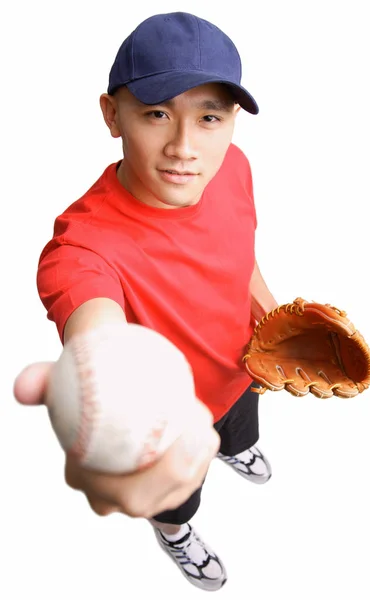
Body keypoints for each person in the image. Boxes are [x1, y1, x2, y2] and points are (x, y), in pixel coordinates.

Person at [13, 11, 278, 592]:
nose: (185, 148)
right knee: (179, 492)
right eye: (157, 114)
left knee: (240, 431)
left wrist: (272, 313)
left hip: (245, 368)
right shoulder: (82, 247)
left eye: (210, 117)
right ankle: (175, 533)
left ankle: (239, 447)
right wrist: (106, 411)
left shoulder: (232, 167)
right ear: (112, 114)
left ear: (233, 120)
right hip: (172, 424)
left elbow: (242, 251)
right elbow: (94, 330)